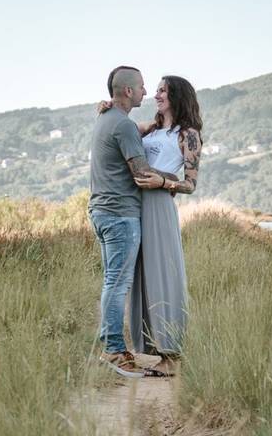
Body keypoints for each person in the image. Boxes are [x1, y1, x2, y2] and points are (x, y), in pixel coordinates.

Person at [88, 66, 179, 378]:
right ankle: (113, 350)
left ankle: (114, 346)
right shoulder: (122, 126)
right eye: (141, 86)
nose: (146, 92)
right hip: (121, 215)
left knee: (112, 280)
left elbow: (136, 133)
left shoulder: (106, 118)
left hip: (101, 211)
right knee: (117, 282)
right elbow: (142, 175)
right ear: (128, 91)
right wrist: (175, 180)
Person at [129, 75, 202, 376]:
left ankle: (172, 355)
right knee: (143, 276)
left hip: (159, 204)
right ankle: (152, 348)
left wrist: (162, 182)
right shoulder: (153, 128)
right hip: (136, 204)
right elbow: (125, 128)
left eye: (162, 91)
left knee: (164, 275)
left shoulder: (188, 135)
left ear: (177, 96)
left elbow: (191, 184)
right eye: (156, 90)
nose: (156, 95)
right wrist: (109, 107)